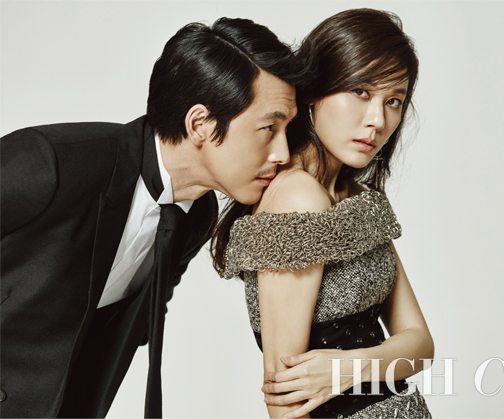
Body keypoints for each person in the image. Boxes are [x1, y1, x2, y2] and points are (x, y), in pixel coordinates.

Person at [0, 17, 302, 418]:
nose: (282, 153)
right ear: (200, 124)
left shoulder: (197, 215)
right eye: (268, 128)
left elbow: (128, 326)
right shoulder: (54, 162)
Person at [213, 8, 434, 418]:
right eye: (361, 92)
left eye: (393, 101)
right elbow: (284, 401)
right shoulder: (297, 197)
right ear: (315, 91)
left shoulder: (357, 198)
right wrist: (379, 359)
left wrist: (349, 367)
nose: (377, 120)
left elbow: (420, 344)